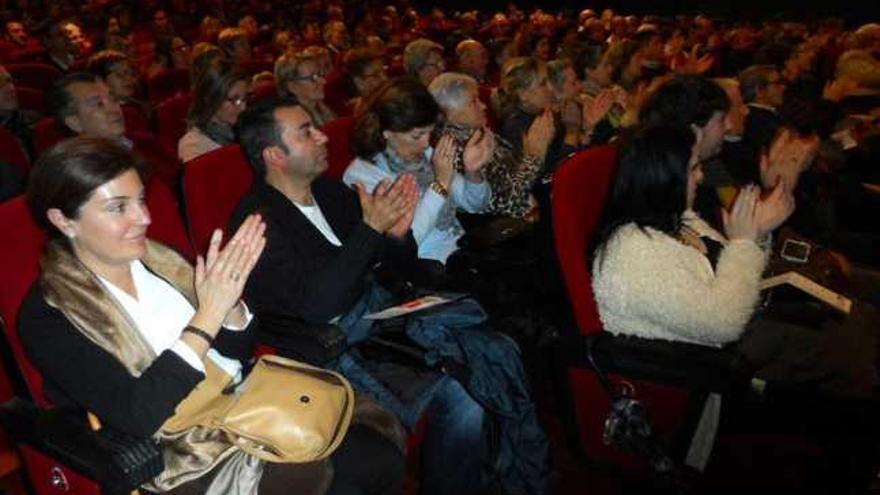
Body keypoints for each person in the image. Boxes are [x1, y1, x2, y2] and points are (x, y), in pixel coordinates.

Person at [19, 136, 405, 495]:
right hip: (184, 450)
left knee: (375, 441)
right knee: (361, 466)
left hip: (248, 402)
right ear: (63, 221)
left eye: (141, 200)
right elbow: (140, 415)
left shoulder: (161, 259)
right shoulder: (48, 314)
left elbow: (237, 350)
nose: (144, 218)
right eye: (118, 207)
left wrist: (232, 306)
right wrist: (209, 314)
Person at [233, 96, 548, 495]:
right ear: (275, 155)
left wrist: (397, 237)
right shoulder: (257, 222)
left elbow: (396, 267)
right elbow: (316, 307)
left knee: (492, 349)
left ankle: (495, 476)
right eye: (306, 132)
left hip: (382, 320)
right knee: (466, 391)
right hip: (335, 348)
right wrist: (370, 230)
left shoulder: (328, 194)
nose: (323, 136)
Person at [590, 124, 880, 491]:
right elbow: (724, 321)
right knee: (855, 356)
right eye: (692, 168)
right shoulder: (633, 251)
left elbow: (738, 268)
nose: (701, 175)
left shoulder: (680, 218)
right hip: (703, 368)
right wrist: (746, 241)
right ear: (661, 177)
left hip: (740, 333)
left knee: (860, 322)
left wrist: (755, 233)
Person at [344, 78, 492, 268]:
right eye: (417, 136)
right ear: (386, 132)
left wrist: (473, 173)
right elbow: (407, 240)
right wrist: (440, 186)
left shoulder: (424, 153)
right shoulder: (363, 175)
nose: (425, 144)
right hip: (424, 267)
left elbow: (476, 205)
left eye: (429, 133)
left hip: (459, 249)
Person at [429, 71, 550, 218]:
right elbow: (509, 203)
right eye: (473, 102)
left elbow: (514, 176)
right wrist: (533, 156)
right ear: (450, 112)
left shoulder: (475, 133)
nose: (483, 106)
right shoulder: (454, 151)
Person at [179, 61, 249, 162]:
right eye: (235, 99)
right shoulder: (193, 147)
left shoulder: (246, 127)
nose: (243, 107)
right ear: (210, 99)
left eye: (245, 98)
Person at [275, 50, 336, 126]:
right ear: (292, 86)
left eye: (320, 74)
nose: (323, 81)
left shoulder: (326, 108)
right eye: (313, 78)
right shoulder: (294, 124)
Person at [343, 48, 388, 116]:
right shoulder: (368, 114)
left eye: (384, 71)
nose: (385, 78)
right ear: (359, 82)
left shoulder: (383, 99)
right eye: (376, 75)